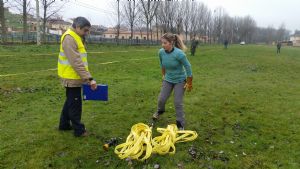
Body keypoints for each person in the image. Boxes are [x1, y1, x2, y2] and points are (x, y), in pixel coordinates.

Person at [57, 17, 97, 137]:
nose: (87, 33)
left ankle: (63, 125)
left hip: (74, 76)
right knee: (75, 104)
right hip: (71, 77)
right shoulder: (69, 38)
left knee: (70, 101)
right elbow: (76, 62)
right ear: (77, 27)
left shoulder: (76, 37)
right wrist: (89, 79)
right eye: (85, 30)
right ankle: (79, 130)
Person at [152, 33, 193, 130]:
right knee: (161, 99)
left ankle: (180, 123)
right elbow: (162, 65)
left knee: (177, 102)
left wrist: (189, 82)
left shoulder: (179, 54)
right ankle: (160, 111)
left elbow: (188, 67)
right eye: (162, 43)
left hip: (180, 80)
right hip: (168, 79)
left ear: (171, 43)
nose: (163, 45)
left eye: (165, 43)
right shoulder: (161, 52)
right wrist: (163, 75)